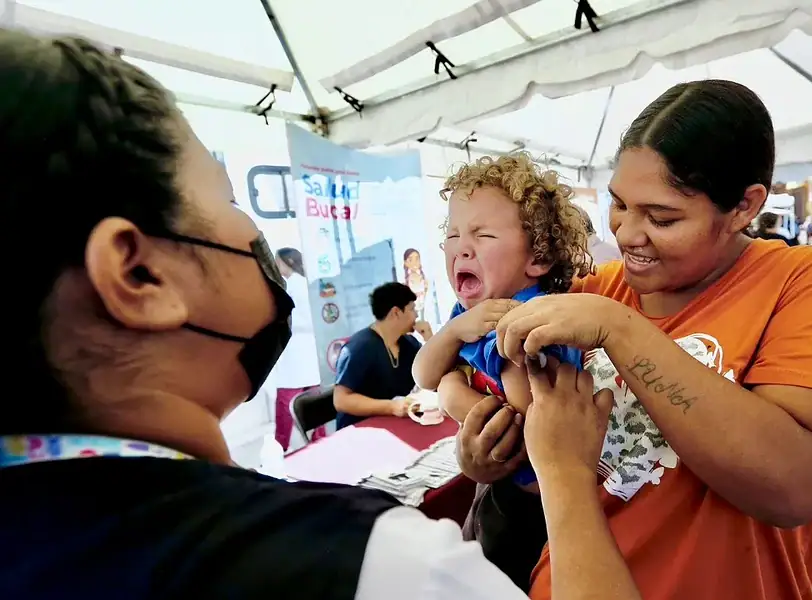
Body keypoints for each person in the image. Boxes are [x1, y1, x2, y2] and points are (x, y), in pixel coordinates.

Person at [0, 31, 643, 600]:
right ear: (137, 276)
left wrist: (464, 399)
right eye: (228, 200)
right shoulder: (377, 566)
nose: (252, 232)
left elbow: (510, 399)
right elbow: (455, 386)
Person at [446, 79, 812, 600]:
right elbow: (516, 414)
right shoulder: (592, 291)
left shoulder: (807, 283)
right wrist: (485, 459)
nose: (627, 233)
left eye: (661, 218)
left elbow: (794, 487)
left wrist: (620, 329)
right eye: (619, 205)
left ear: (744, 206)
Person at [412, 153, 592, 589]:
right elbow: (423, 374)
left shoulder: (527, 319)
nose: (462, 247)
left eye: (483, 234)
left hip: (535, 505)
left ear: (538, 259)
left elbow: (524, 418)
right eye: (453, 234)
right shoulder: (470, 314)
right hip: (502, 487)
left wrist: (455, 393)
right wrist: (454, 332)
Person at [334, 282, 433, 428]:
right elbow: (341, 400)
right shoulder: (358, 348)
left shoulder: (408, 343)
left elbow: (432, 375)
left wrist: (430, 339)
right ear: (396, 312)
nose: (417, 315)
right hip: (359, 430)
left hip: (395, 425)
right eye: (412, 309)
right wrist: (391, 407)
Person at [271, 246, 325, 450]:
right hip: (309, 350)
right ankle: (320, 442)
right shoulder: (308, 283)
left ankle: (280, 447)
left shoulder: (291, 286)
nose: (276, 265)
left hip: (295, 352)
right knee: (315, 401)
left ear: (288, 263)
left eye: (277, 261)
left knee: (285, 403)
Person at [402, 247, 438, 322]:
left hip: (427, 314)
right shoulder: (404, 285)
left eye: (417, 259)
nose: (414, 262)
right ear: (406, 263)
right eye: (410, 260)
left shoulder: (426, 281)